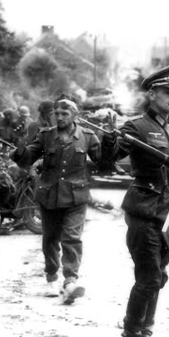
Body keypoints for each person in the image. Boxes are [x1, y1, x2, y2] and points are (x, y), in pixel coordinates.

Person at [101, 65, 169, 337]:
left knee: (157, 278)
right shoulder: (136, 127)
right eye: (168, 92)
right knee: (148, 277)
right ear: (152, 93)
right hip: (144, 210)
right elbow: (108, 159)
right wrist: (109, 138)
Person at [14, 95, 104, 303]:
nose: (60, 117)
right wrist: (20, 147)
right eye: (57, 113)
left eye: (65, 114)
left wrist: (110, 143)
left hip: (76, 197)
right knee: (50, 238)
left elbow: (103, 162)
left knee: (72, 237)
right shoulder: (46, 136)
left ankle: (70, 280)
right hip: (50, 196)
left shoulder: (88, 136)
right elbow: (27, 158)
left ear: (75, 116)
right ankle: (52, 275)